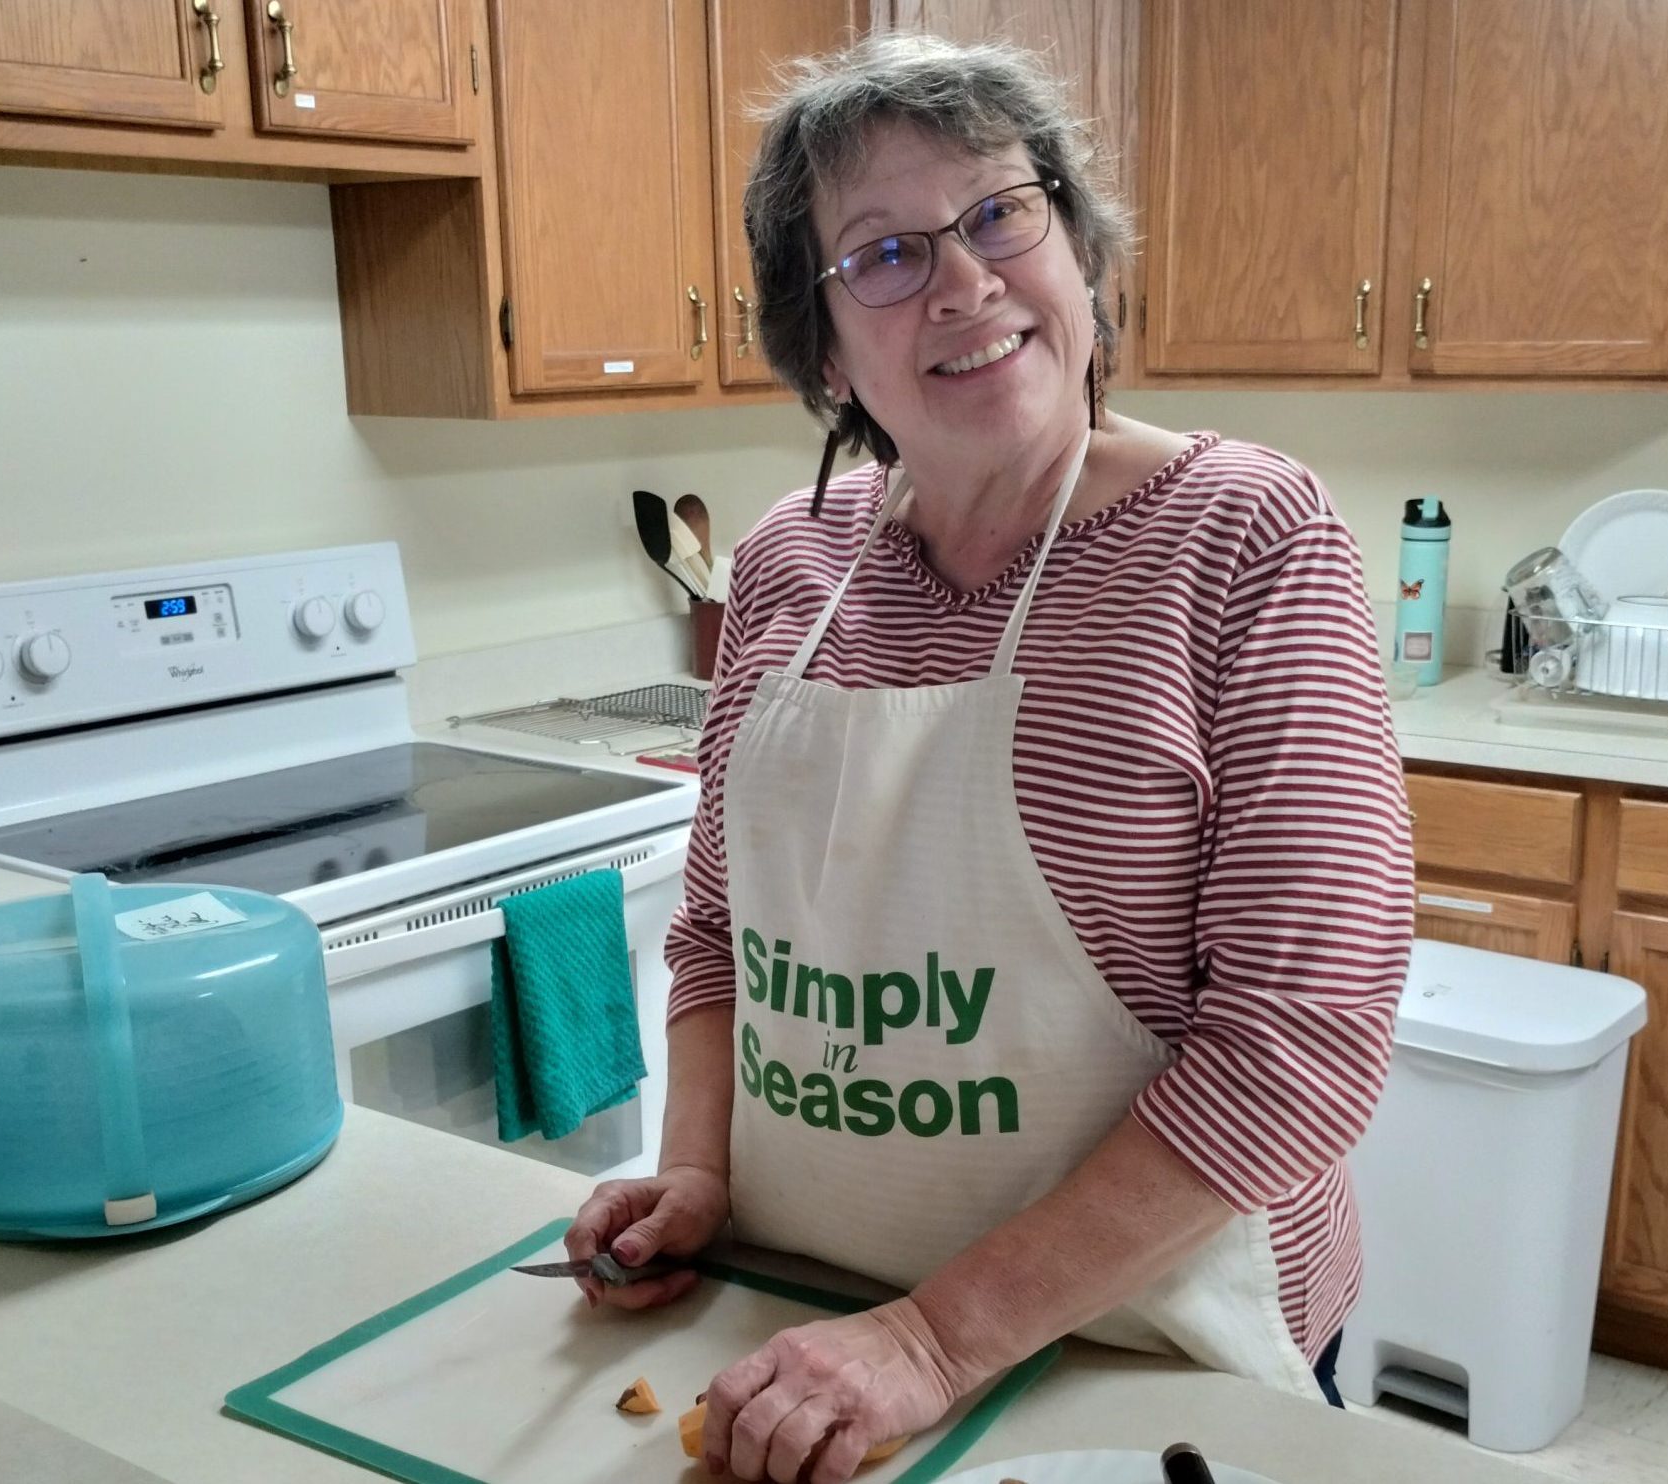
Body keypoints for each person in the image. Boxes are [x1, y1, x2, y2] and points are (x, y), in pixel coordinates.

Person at [566, 34, 1413, 1484]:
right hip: (803, 1332)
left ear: (1077, 251)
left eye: (998, 216)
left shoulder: (1247, 541)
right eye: (882, 253)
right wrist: (699, 1168)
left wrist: (939, 1341)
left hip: (1138, 1347)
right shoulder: (782, 565)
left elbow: (1303, 1043)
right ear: (824, 346)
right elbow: (717, 934)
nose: (962, 282)